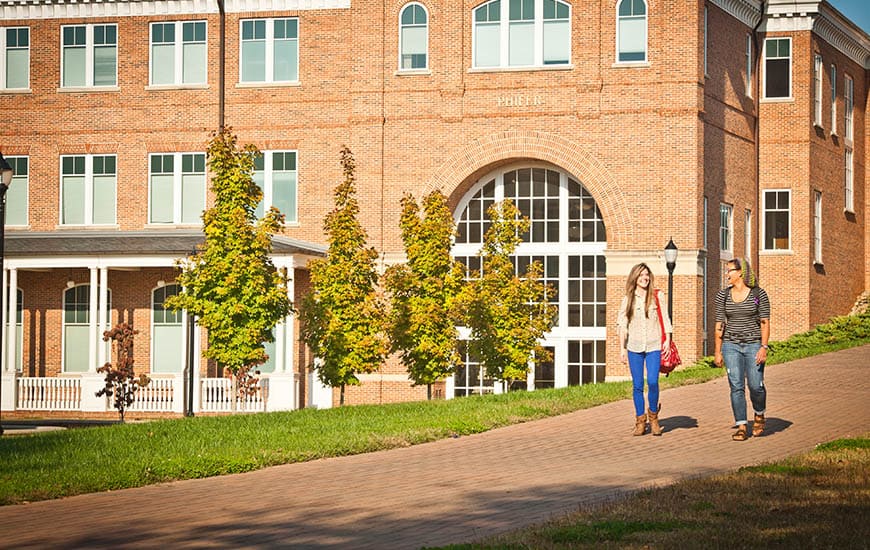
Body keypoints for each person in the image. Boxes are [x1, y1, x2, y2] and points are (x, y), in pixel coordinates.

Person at [714, 257, 771, 441]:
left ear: (740, 272)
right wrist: (718, 350)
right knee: (736, 386)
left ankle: (759, 414)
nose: (727, 274)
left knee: (756, 385)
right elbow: (719, 324)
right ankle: (741, 425)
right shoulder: (723, 296)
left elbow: (764, 322)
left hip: (754, 344)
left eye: (729, 270)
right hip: (731, 345)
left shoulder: (758, 295)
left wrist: (763, 347)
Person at [617, 263, 673, 436]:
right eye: (641, 275)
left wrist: (668, 341)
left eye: (647, 275)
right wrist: (622, 349)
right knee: (638, 385)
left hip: (654, 345)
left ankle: (654, 416)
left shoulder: (657, 296)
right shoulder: (628, 299)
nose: (644, 278)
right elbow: (622, 325)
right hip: (634, 346)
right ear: (635, 277)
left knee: (653, 382)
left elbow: (666, 318)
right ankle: (640, 421)